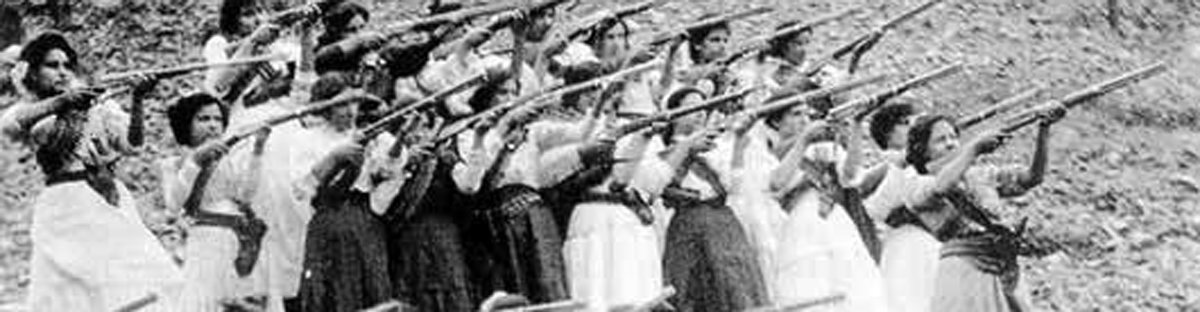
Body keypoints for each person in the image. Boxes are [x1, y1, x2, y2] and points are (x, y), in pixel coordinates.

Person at [0, 32, 182, 312]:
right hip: (66, 206)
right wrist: (64, 102)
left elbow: (131, 145)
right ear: (33, 74)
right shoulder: (34, 111)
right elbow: (11, 125)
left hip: (108, 199)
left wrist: (137, 100)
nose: (62, 72)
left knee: (134, 284)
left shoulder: (98, 105)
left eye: (66, 65)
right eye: (52, 65)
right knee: (77, 293)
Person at [901, 107, 1062, 312]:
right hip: (964, 271)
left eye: (953, 137)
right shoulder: (915, 183)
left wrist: (1044, 130)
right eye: (941, 140)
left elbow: (1032, 178)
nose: (950, 143)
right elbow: (940, 187)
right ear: (923, 150)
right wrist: (974, 149)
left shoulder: (981, 174)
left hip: (1002, 267)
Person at [652, 88, 770, 311]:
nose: (699, 113)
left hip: (723, 222)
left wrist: (738, 144)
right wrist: (687, 149)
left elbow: (734, 187)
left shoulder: (716, 148)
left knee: (736, 287)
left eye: (702, 107)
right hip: (691, 224)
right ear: (674, 114)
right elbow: (663, 183)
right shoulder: (665, 151)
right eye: (691, 107)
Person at [161, 93, 275, 312]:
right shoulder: (174, 163)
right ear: (186, 124)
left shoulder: (229, 158)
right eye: (203, 119)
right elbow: (174, 204)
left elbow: (245, 195)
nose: (212, 126)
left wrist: (258, 149)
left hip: (237, 240)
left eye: (217, 119)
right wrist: (195, 161)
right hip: (206, 241)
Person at [771, 115, 887, 311]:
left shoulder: (823, 146)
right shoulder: (775, 153)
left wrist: (856, 128)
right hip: (801, 224)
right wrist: (803, 142)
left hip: (835, 220)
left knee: (852, 284)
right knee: (810, 285)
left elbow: (850, 176)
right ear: (776, 122)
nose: (803, 119)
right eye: (795, 113)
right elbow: (776, 184)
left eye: (805, 112)